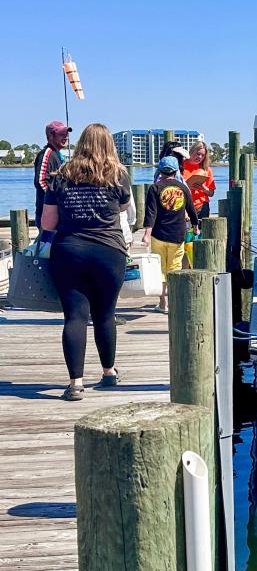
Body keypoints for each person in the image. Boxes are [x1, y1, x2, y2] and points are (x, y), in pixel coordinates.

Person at [40, 123, 129, 401]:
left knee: (75, 316)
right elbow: (124, 207)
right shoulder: (119, 174)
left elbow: (47, 223)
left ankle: (75, 384)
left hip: (70, 250)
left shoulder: (61, 175)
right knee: (105, 314)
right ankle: (108, 372)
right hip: (109, 251)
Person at [142, 156, 200, 313]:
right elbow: (191, 209)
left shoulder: (154, 188)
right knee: (174, 269)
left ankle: (163, 303)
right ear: (176, 171)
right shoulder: (182, 188)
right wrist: (195, 225)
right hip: (177, 235)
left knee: (159, 269)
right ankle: (173, 303)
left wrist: (147, 234)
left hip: (158, 235)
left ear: (160, 171)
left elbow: (150, 213)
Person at [33, 121, 71, 229]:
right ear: (50, 135)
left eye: (66, 134)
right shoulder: (47, 153)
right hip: (46, 213)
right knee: (46, 244)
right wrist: (55, 199)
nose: (66, 137)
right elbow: (41, 181)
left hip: (56, 214)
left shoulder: (57, 155)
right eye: (62, 134)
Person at [183, 140, 216, 218]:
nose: (200, 157)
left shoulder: (206, 169)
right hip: (183, 206)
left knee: (202, 229)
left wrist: (203, 187)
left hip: (201, 207)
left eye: (203, 155)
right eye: (198, 154)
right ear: (191, 152)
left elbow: (211, 193)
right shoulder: (181, 166)